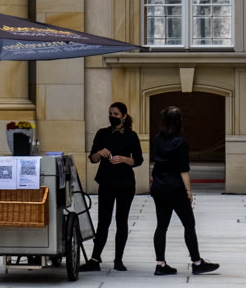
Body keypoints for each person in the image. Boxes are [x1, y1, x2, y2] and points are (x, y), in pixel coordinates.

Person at [148, 106, 219, 277]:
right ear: (179, 122)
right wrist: (188, 190)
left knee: (161, 226)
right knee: (189, 225)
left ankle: (160, 264)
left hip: (159, 187)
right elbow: (183, 169)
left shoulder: (157, 140)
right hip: (176, 188)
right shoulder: (180, 142)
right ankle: (197, 262)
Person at [82, 102, 143, 272]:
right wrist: (99, 153)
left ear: (124, 116)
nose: (112, 117)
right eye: (110, 114)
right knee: (103, 221)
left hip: (125, 183)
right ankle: (95, 258)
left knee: (121, 221)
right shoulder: (102, 133)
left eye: (116, 114)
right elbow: (92, 158)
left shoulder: (131, 135)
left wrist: (123, 159)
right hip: (106, 181)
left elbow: (138, 160)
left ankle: (118, 259)